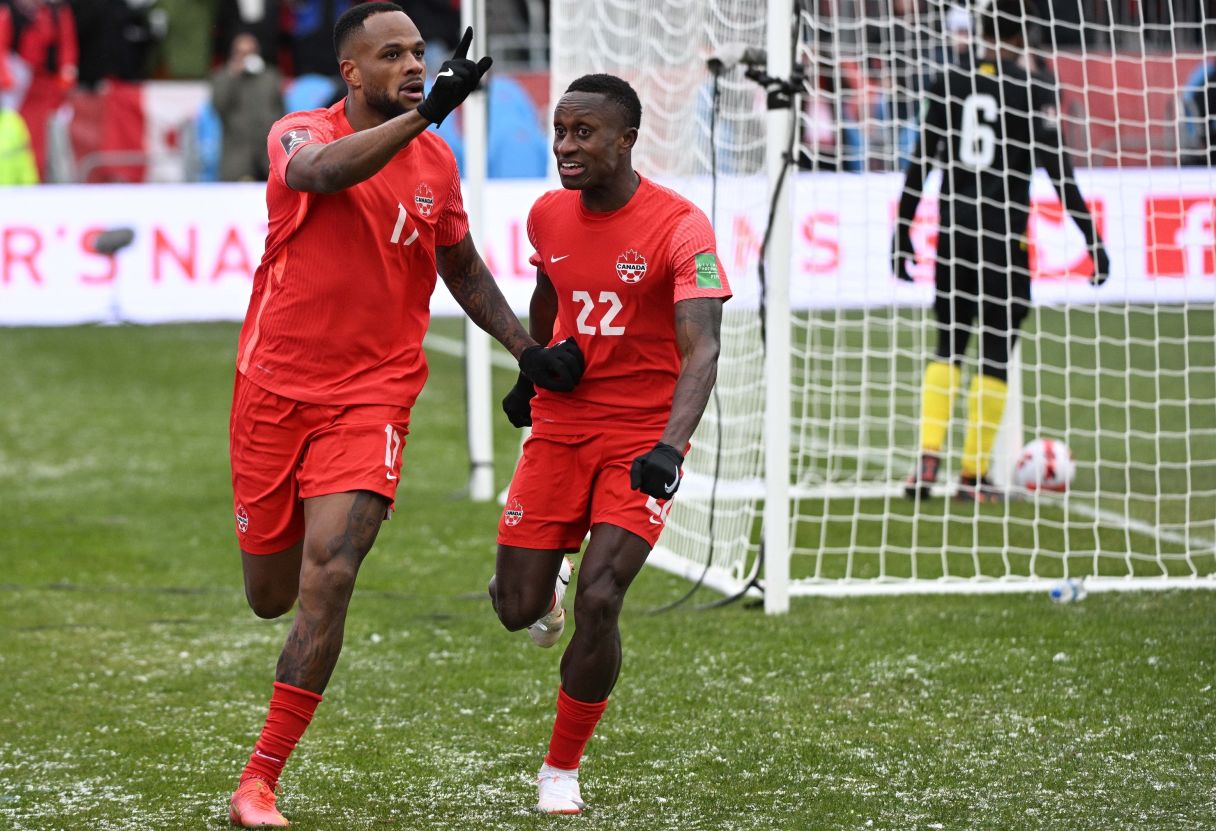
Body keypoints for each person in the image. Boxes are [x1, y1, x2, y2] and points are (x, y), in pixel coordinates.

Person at [224, 4, 584, 827]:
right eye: (392, 54)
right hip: (273, 394)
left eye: (420, 52)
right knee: (270, 594)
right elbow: (320, 175)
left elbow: (459, 263)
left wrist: (527, 348)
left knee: (332, 573)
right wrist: (426, 112)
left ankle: (259, 780)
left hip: (373, 398)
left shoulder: (435, 161)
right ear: (350, 72)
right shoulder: (296, 130)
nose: (414, 63)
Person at [488, 73, 731, 814]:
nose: (565, 146)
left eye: (583, 133)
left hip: (640, 438)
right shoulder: (547, 216)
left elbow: (704, 349)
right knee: (512, 605)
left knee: (602, 596)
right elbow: (550, 288)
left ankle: (561, 767)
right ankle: (544, 588)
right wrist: (532, 362)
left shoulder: (681, 227)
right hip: (561, 427)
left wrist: (671, 444)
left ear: (626, 140)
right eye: (561, 131)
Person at [891, 0, 1110, 503]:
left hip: (954, 238)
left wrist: (902, 229)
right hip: (1005, 242)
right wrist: (1091, 239)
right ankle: (971, 476)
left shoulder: (949, 81)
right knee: (994, 353)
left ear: (984, 30)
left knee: (948, 344)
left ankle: (927, 460)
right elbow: (1060, 171)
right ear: (1024, 34)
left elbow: (922, 159)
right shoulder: (1032, 89)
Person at [210, 31, 285, 181]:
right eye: (241, 53)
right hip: (238, 156)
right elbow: (218, 106)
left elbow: (281, 111)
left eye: (250, 52)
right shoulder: (223, 77)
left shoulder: (271, 77)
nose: (246, 57)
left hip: (267, 156)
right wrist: (233, 75)